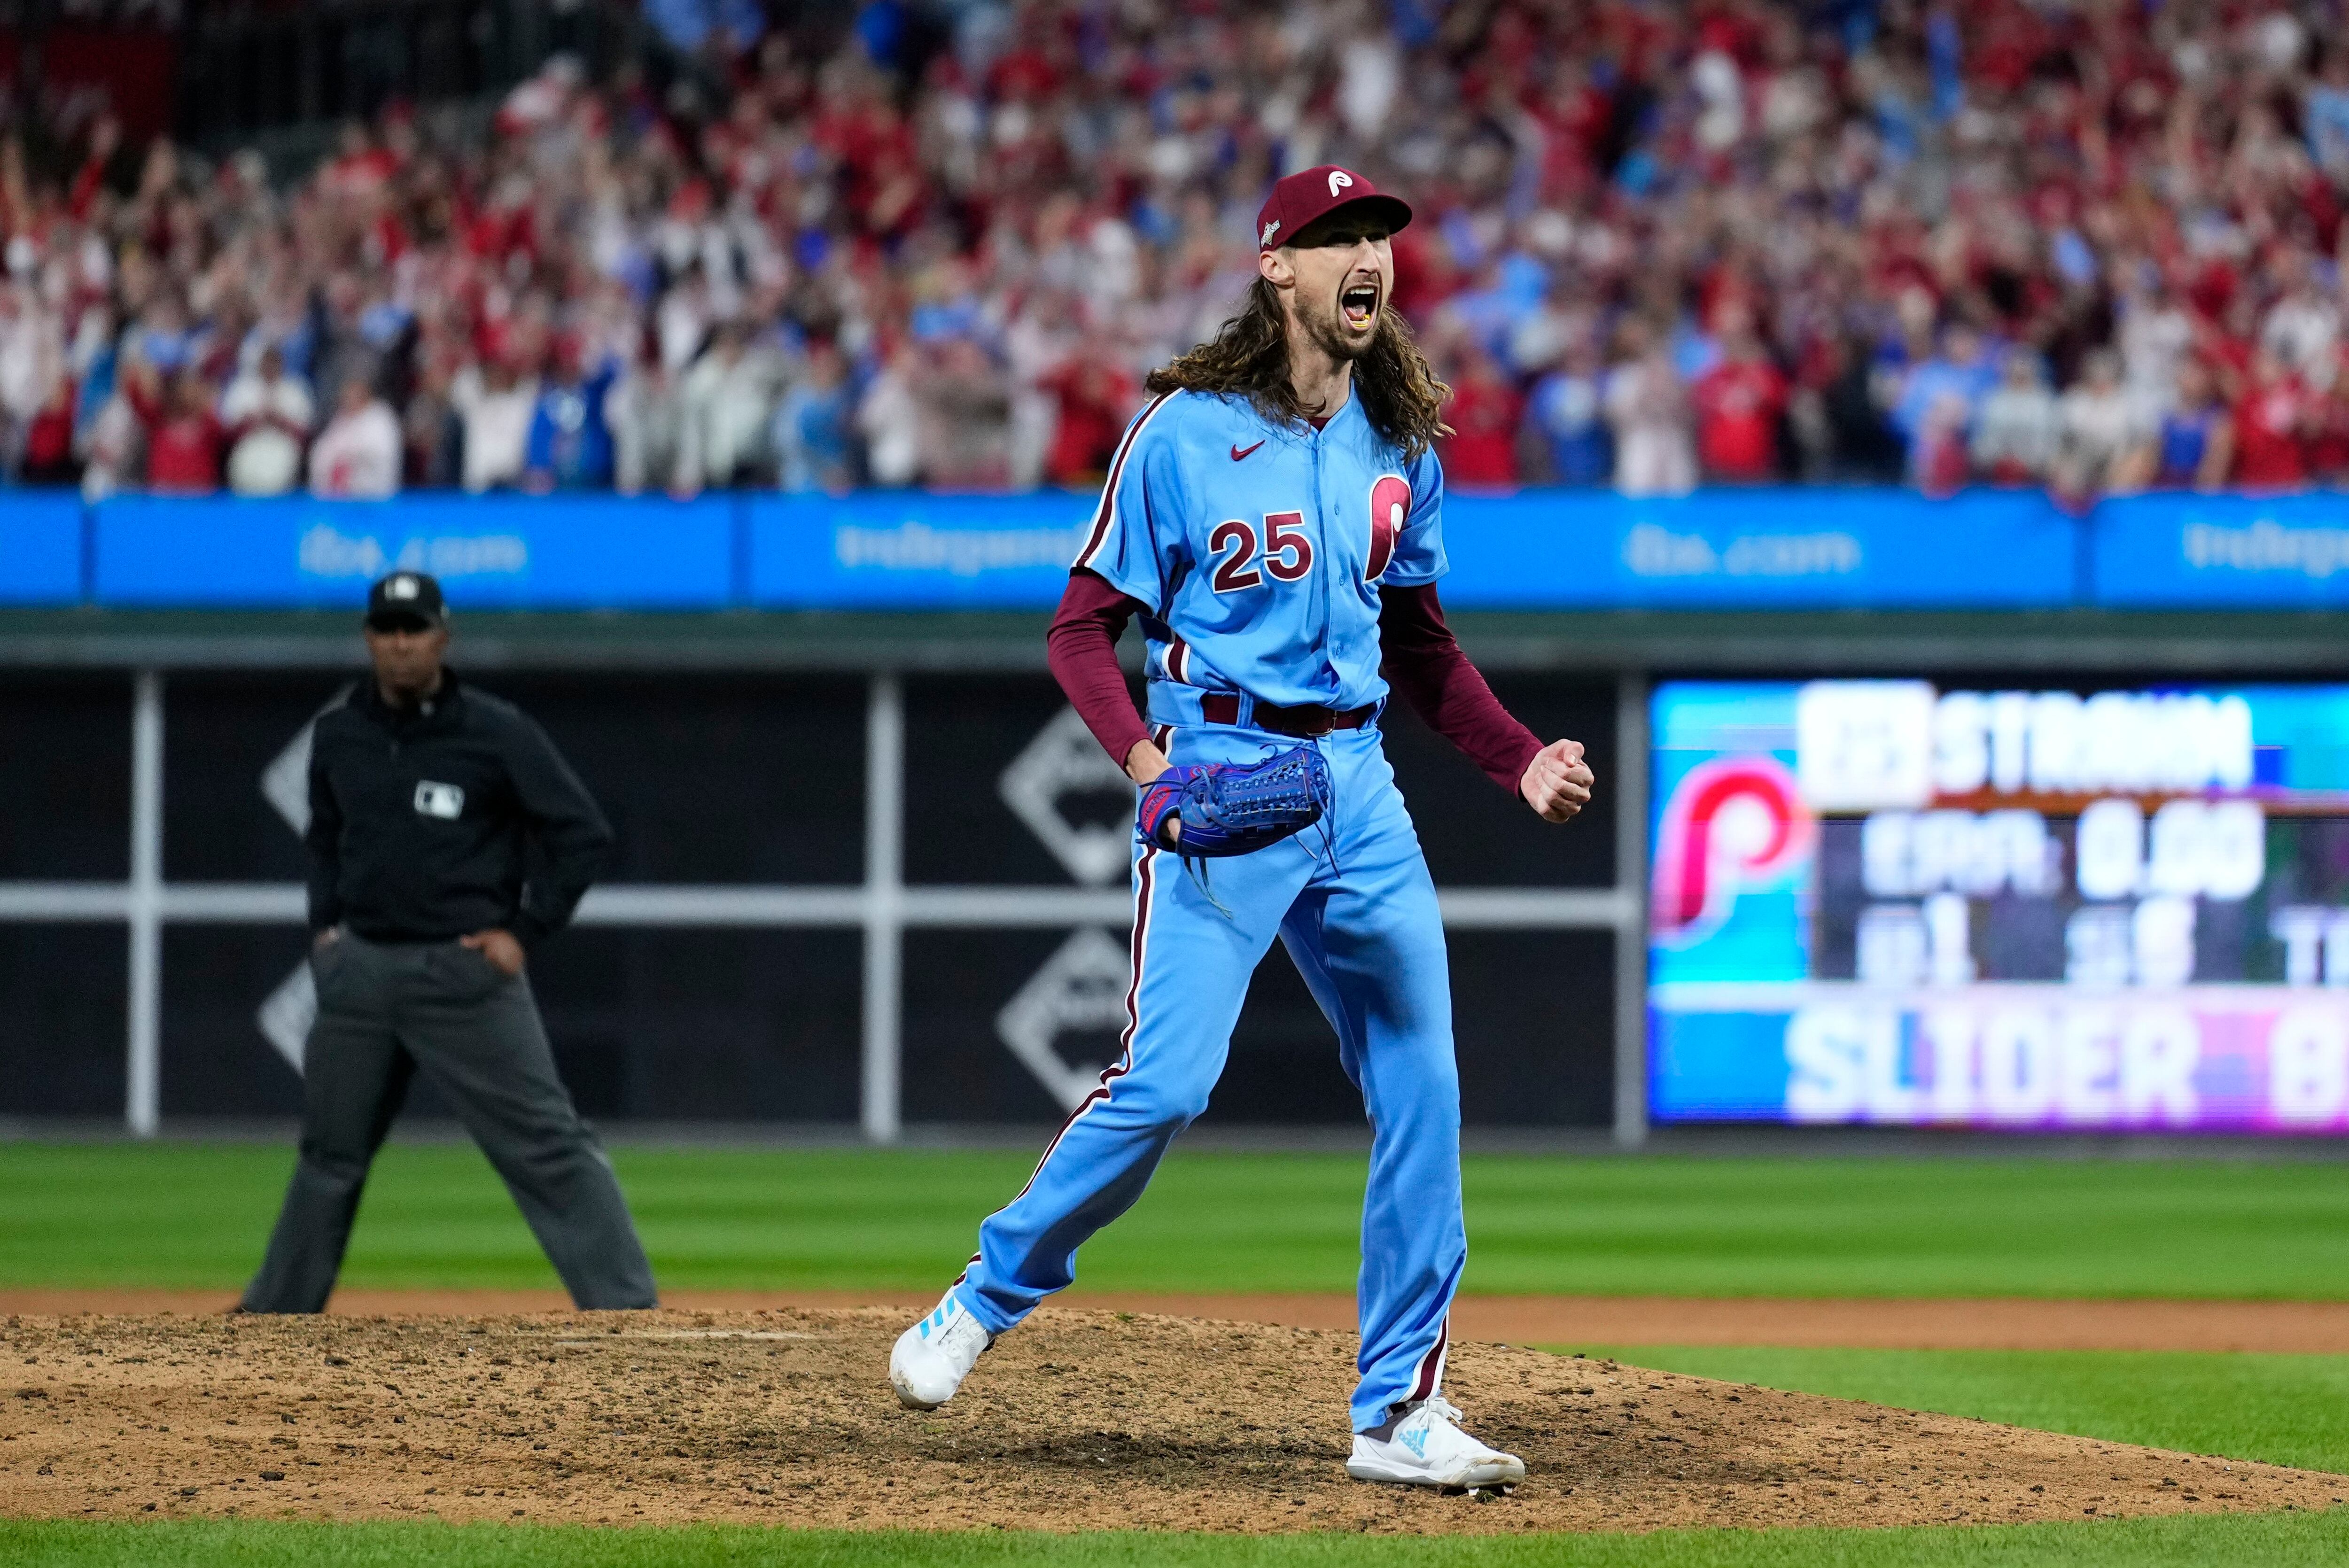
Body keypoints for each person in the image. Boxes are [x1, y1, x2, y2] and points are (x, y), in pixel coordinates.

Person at [885, 166, 1594, 1493]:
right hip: (1224, 776)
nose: (1367, 255)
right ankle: (982, 1299)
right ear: (1279, 268)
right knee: (1165, 1084)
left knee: (1424, 1089)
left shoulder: (1404, 439)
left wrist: (1518, 762)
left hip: (1361, 788)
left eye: (1378, 234)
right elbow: (1081, 626)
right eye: (1338, 237)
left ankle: (1398, 1412)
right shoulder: (1184, 431)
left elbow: (1422, 646)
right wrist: (1149, 761)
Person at [240, 572, 656, 1314]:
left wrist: (524, 930)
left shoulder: (495, 731)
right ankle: (274, 1319)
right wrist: (326, 934)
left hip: (463, 978)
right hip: (360, 974)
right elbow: (325, 841)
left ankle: (627, 1315)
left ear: (443, 636)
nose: (401, 643)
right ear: (370, 638)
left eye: (415, 629)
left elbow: (583, 835)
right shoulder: (339, 734)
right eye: (388, 629)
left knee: (551, 1147)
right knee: (328, 1156)